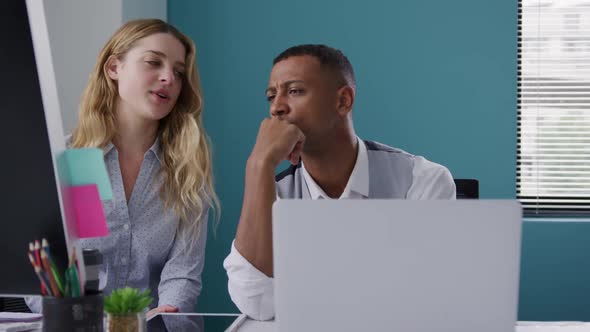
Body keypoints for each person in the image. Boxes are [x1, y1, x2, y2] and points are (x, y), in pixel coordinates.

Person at [223, 44, 456, 321]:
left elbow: (429, 297)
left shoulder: (421, 181)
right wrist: (258, 165)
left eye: (294, 91)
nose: (277, 108)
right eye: (271, 96)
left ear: (343, 101)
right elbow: (256, 303)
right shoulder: (275, 193)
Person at [28, 19, 219, 316]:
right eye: (153, 62)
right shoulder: (73, 164)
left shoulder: (186, 170)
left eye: (179, 72)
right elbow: (46, 273)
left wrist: (168, 311)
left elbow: (182, 272)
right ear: (114, 68)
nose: (168, 77)